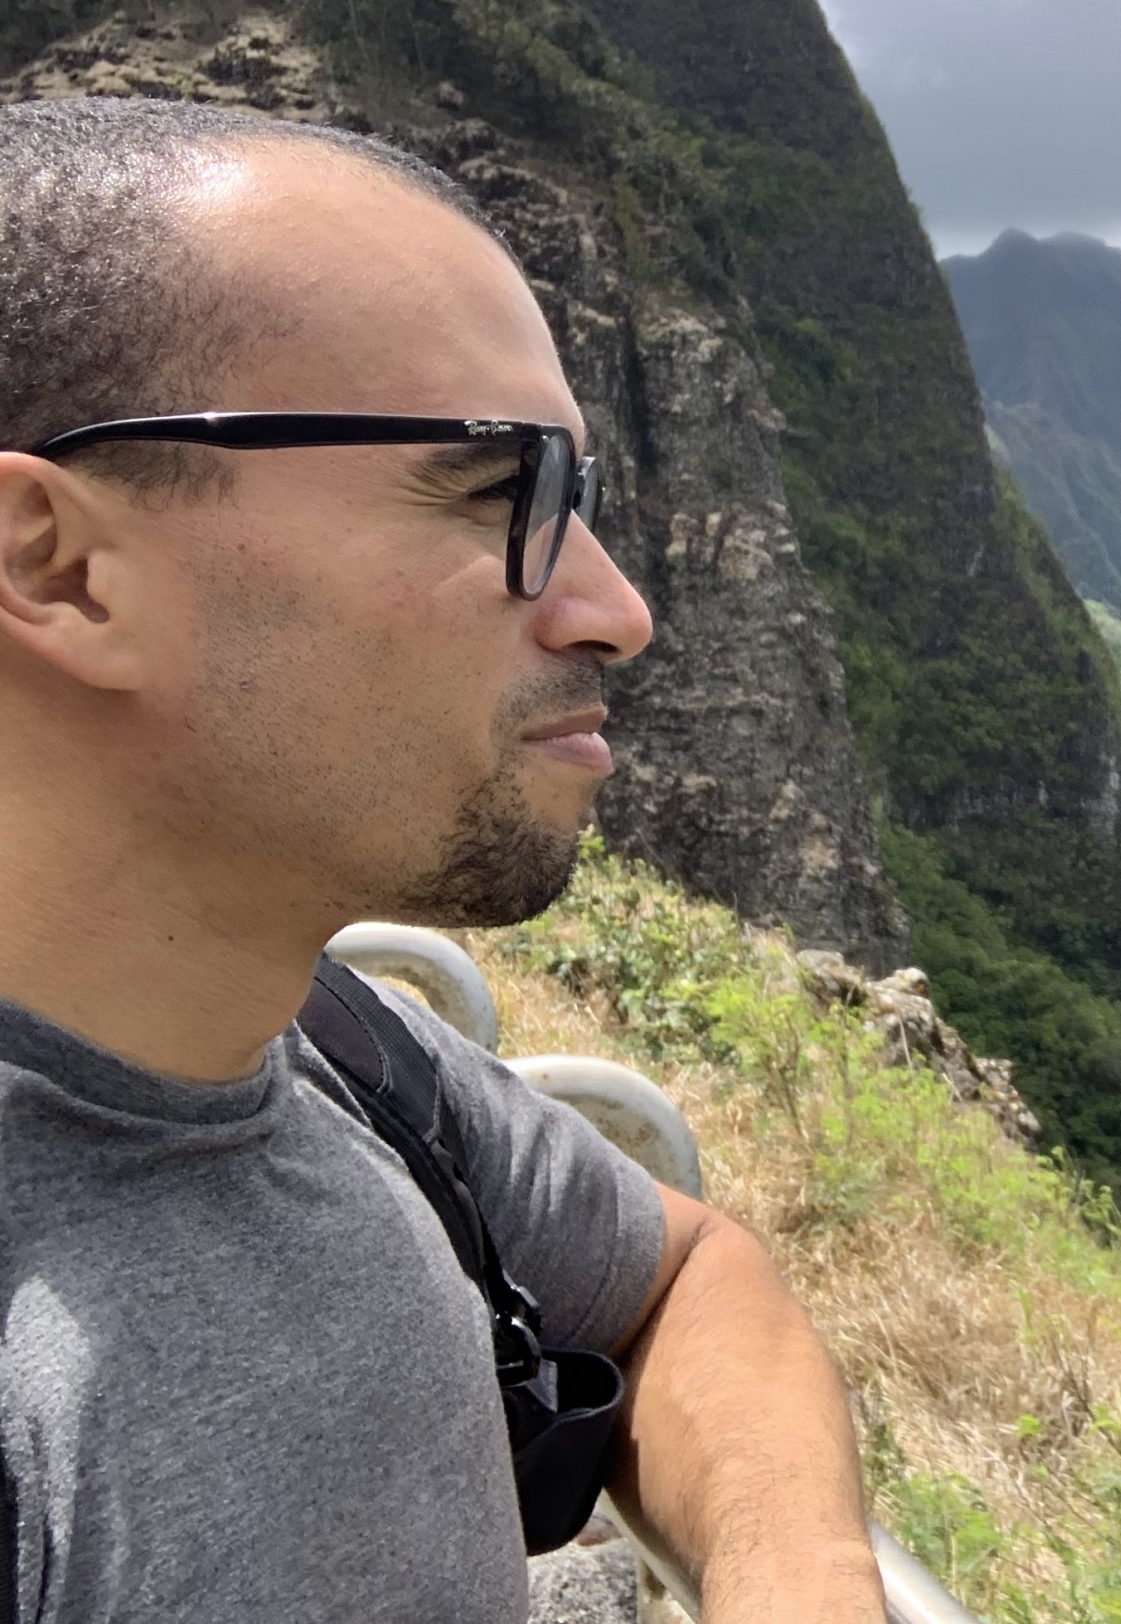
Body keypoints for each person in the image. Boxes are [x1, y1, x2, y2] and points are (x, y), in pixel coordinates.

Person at [0, 97, 889, 1622]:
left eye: (581, 501)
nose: (618, 610)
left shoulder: (333, 1048)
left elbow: (683, 1278)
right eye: (495, 493)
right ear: (60, 567)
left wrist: (792, 1576)